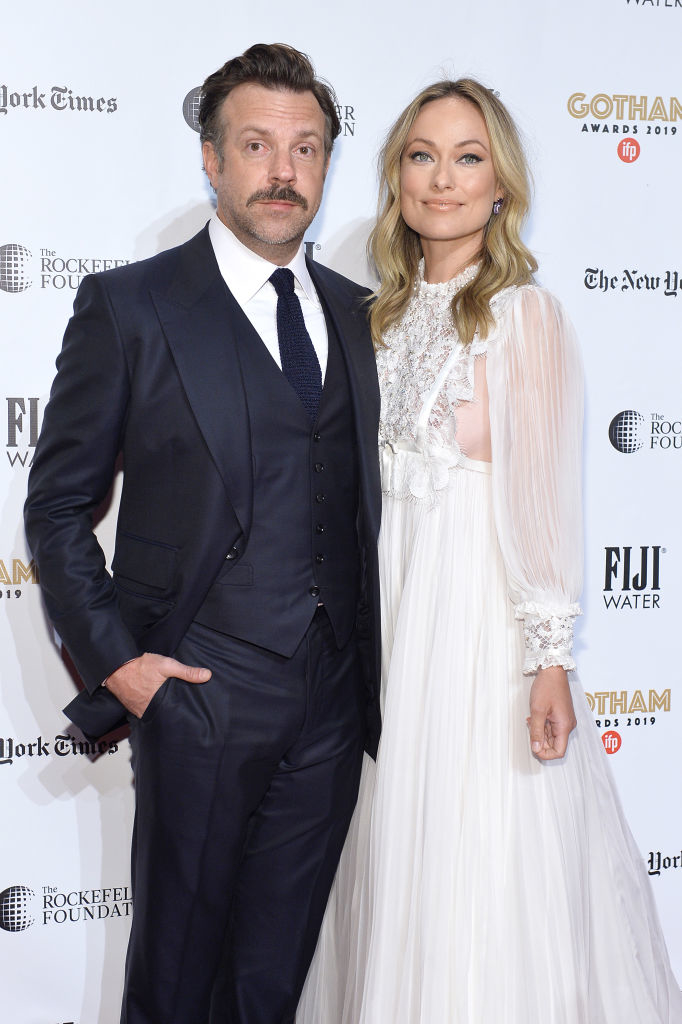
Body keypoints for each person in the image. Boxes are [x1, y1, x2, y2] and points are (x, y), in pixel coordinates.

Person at [296, 79, 682, 1023]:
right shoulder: (370, 319)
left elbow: (543, 499)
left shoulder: (524, 316)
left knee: (480, 855)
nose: (444, 179)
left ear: (501, 184)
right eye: (423, 155)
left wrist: (549, 659)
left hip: (476, 629)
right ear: (395, 178)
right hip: (386, 629)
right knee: (395, 857)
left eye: (469, 157)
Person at [24, 43, 381, 1024]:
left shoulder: (359, 316)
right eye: (257, 144)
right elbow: (56, 508)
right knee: (176, 984)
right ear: (211, 159)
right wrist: (122, 664)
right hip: (199, 690)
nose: (283, 170)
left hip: (332, 704)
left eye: (305, 148)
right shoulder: (132, 306)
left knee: (272, 985)